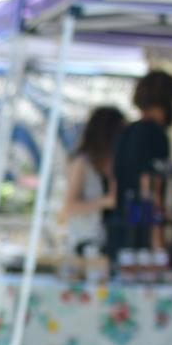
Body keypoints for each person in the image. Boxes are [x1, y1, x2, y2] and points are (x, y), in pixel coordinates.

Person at [108, 70, 172, 257]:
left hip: (120, 224)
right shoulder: (155, 134)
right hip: (140, 229)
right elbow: (149, 184)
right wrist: (157, 238)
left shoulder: (126, 132)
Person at [58, 106, 126, 254]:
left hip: (107, 243)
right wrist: (106, 201)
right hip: (84, 244)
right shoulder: (82, 163)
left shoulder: (109, 164)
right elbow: (68, 207)